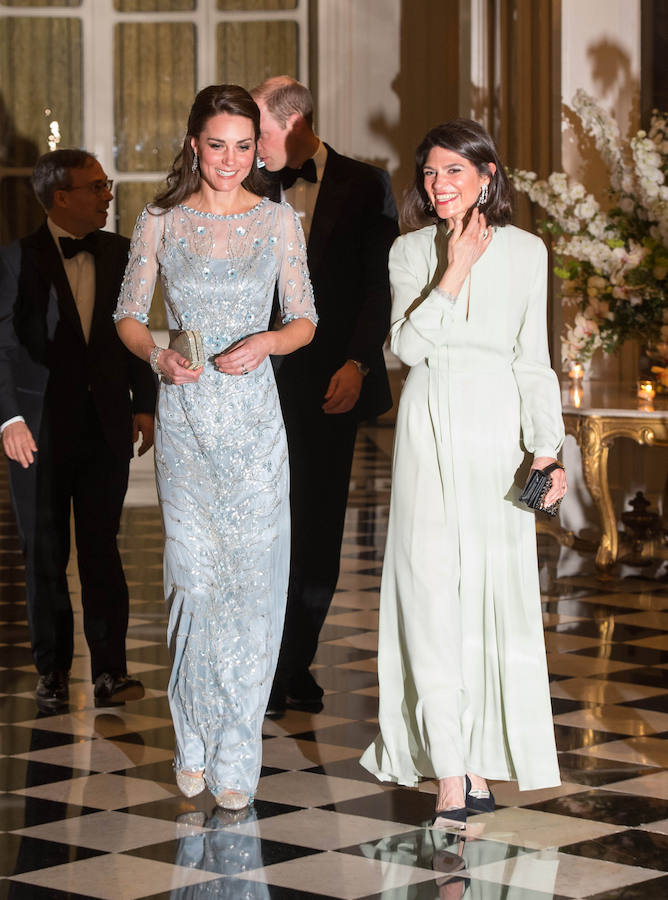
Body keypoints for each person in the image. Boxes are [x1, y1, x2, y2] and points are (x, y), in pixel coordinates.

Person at [114, 84, 317, 810]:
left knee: (253, 590)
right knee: (193, 585)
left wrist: (266, 340)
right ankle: (192, 736)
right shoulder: (161, 222)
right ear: (192, 143)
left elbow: (305, 321)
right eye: (215, 144)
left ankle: (237, 746)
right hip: (187, 419)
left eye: (242, 145)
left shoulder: (278, 222)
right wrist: (160, 356)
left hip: (256, 427)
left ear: (257, 148)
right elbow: (128, 317)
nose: (229, 159)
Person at [360, 120, 567, 826]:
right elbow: (407, 347)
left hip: (497, 434)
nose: (439, 184)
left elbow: (533, 357)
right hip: (427, 426)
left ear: (488, 176)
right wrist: (453, 270)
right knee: (427, 593)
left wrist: (547, 448)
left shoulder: (529, 252)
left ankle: (477, 760)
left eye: (454, 171)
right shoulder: (410, 251)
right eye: (430, 173)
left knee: (488, 599)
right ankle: (449, 771)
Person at [251, 76, 399, 716]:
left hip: (330, 387)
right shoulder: (247, 183)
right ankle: (266, 664)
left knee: (316, 530)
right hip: (253, 385)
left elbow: (378, 288)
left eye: (259, 131)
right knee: (258, 529)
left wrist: (360, 364)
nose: (250, 146)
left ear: (297, 121)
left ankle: (293, 660)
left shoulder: (367, 186)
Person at [0, 149, 156, 712]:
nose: (108, 193)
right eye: (97, 186)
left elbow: (133, 332)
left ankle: (112, 671)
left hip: (105, 426)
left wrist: (145, 402)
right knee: (43, 553)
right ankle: (52, 671)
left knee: (101, 551)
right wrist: (8, 419)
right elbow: (2, 347)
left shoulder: (120, 252)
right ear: (61, 197)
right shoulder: (16, 259)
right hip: (35, 432)